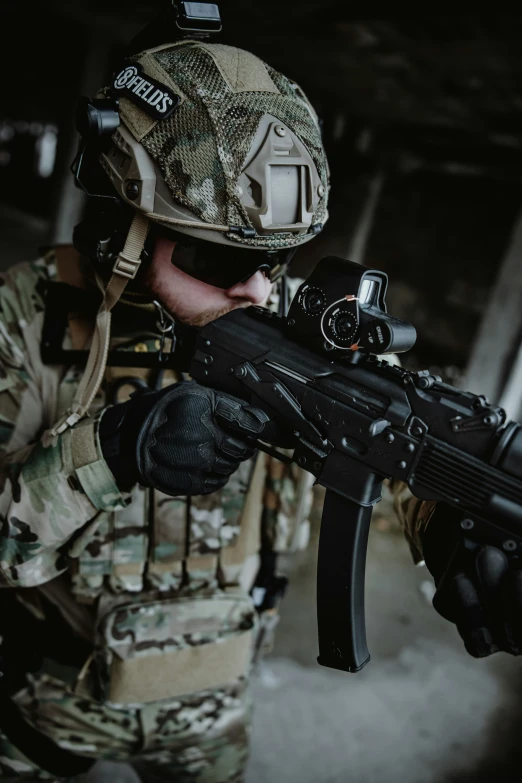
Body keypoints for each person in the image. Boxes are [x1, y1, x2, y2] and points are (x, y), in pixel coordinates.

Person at [0, 35, 519, 783]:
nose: (256, 290)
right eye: (217, 259)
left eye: (275, 260)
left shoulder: (303, 337)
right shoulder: (25, 314)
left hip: (215, 718)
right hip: (46, 701)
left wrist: (462, 533)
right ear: (122, 230)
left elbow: (405, 454)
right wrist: (111, 450)